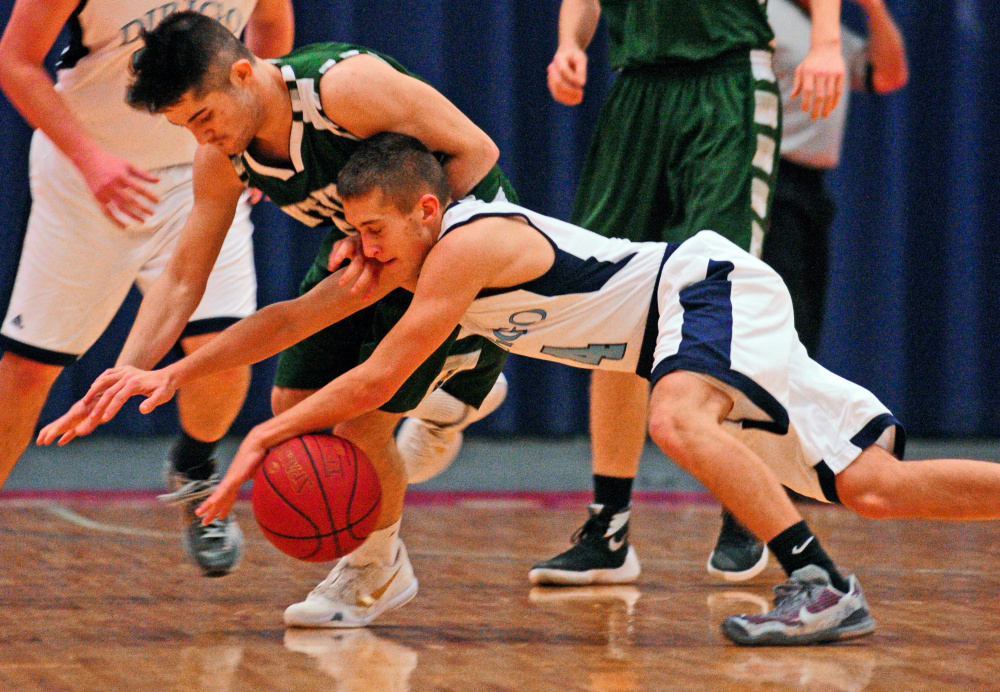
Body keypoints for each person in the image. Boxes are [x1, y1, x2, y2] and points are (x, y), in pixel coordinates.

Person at [60, 133, 1000, 645]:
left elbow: (382, 375)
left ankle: (820, 586)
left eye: (377, 229)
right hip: (683, 329)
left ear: (426, 209)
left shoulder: (467, 246)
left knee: (674, 417)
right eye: (354, 230)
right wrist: (166, 369)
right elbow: (289, 322)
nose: (363, 249)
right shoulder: (412, 258)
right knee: (876, 485)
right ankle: (822, 570)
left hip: (697, 293)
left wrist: (260, 440)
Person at [40, 12, 514, 626]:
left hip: (449, 237)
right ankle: (450, 392)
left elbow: (478, 151)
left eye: (204, 117)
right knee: (293, 402)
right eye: (186, 127)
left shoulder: (344, 89)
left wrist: (401, 237)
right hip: (366, 246)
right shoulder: (225, 156)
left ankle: (378, 566)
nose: (201, 138)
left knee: (361, 419)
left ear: (244, 72)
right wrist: (125, 372)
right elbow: (184, 276)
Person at [537, 0, 850, 587]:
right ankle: (608, 527)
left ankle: (747, 503)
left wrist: (828, 42)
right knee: (610, 307)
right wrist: (570, 44)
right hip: (637, 93)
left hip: (726, 80)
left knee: (719, 297)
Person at [0, 0, 294, 576]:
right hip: (89, 174)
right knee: (29, 370)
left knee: (223, 351)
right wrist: (92, 161)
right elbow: (16, 61)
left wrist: (255, 135)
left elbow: (271, 26)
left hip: (203, 168)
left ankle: (194, 467)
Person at [763, 0, 907, 357]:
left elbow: (890, 74)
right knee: (774, 330)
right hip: (766, 184)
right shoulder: (763, 13)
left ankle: (783, 413)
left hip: (810, 192)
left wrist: (872, 7)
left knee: (803, 334)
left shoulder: (827, 30)